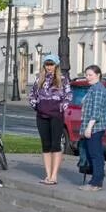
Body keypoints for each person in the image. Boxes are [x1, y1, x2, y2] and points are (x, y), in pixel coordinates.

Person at [28, 56, 72, 184]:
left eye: (51, 64)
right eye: (47, 64)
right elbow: (32, 94)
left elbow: (68, 95)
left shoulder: (62, 80)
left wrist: (61, 107)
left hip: (56, 116)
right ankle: (48, 175)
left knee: (55, 145)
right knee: (46, 145)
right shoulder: (39, 79)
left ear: (56, 65)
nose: (49, 67)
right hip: (42, 116)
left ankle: (54, 176)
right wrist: (36, 106)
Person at [75, 65, 106, 192]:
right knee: (93, 153)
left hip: (95, 127)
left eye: (90, 75)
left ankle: (96, 182)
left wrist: (89, 128)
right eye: (86, 75)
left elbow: (96, 111)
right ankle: (97, 179)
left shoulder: (98, 89)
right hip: (93, 126)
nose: (87, 77)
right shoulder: (93, 88)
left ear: (98, 75)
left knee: (95, 154)